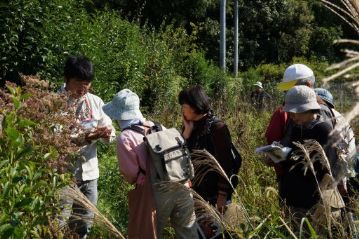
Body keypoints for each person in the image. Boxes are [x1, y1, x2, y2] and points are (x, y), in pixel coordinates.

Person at [103, 89, 198, 239]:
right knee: (188, 233)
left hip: (155, 194)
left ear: (118, 114)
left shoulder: (125, 138)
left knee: (149, 233)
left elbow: (131, 175)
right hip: (181, 185)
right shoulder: (157, 126)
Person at [57, 55, 115, 238]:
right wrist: (87, 137)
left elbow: (110, 130)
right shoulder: (54, 101)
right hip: (61, 176)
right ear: (66, 79)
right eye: (79, 82)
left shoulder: (95, 102)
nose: (84, 88)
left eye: (87, 83)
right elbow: (57, 138)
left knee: (84, 225)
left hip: (89, 175)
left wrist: (107, 133)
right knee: (57, 224)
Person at [279, 86, 341, 231]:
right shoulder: (296, 126)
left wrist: (287, 157)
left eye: (297, 112)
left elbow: (329, 169)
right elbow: (294, 157)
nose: (293, 117)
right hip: (293, 197)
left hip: (312, 201)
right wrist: (278, 156)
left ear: (310, 109)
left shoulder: (324, 130)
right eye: (291, 113)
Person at [178, 85, 234, 210]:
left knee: (216, 228)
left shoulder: (217, 128)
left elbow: (225, 164)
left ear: (194, 107)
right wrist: (186, 134)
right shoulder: (190, 126)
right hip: (196, 191)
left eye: (184, 106)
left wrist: (222, 195)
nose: (182, 110)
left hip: (214, 194)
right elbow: (181, 156)